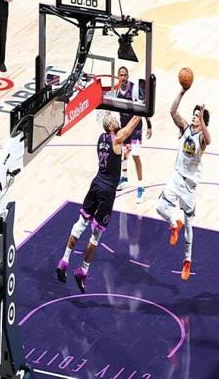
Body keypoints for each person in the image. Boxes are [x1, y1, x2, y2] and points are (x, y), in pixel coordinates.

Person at [56, 113, 142, 293]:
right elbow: (132, 125)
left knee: (80, 224)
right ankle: (83, 270)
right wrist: (143, 111)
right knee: (96, 235)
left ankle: (64, 260)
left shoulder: (101, 138)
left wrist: (122, 155)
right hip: (107, 190)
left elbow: (111, 158)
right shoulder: (116, 138)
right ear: (110, 126)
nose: (118, 121)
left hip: (95, 184)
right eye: (115, 120)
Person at [155, 88, 210, 281]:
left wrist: (203, 119)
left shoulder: (202, 138)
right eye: (194, 115)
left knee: (188, 223)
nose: (194, 117)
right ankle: (173, 224)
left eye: (198, 116)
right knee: (159, 207)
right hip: (176, 177)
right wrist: (182, 91)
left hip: (189, 186)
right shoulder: (185, 128)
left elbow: (209, 140)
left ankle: (187, 260)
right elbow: (172, 111)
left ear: (202, 121)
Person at [115, 66, 152, 204]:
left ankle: (141, 187)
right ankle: (124, 178)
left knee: (135, 155)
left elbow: (143, 107)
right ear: (118, 76)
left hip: (136, 128)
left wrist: (149, 124)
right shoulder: (116, 90)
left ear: (128, 76)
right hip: (125, 127)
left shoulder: (134, 89)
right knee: (124, 152)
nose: (123, 77)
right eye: (121, 75)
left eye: (125, 75)